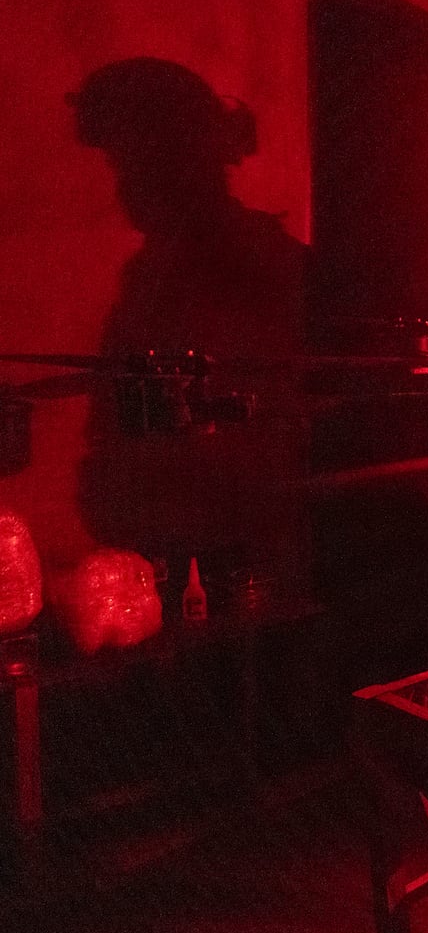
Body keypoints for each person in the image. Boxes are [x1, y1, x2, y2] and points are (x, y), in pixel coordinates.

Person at [72, 58, 310, 591]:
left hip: (248, 575)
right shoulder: (152, 274)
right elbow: (126, 417)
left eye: (133, 163)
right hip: (170, 565)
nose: (124, 185)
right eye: (119, 165)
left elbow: (257, 438)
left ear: (180, 158)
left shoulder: (255, 264)